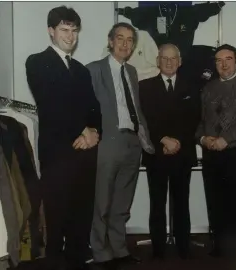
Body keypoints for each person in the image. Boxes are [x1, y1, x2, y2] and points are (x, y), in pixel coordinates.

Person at [25, 6, 101, 270]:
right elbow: (51, 105)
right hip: (58, 154)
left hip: (85, 152)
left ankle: (79, 260)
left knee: (82, 215)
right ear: (51, 31)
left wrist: (94, 131)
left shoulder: (81, 69)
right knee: (57, 218)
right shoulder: (37, 62)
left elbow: (94, 107)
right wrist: (82, 131)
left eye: (74, 31)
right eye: (64, 30)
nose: (70, 36)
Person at [86, 22, 153, 270]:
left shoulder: (132, 72)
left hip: (131, 142)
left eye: (129, 40)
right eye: (120, 39)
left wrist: (143, 138)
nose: (125, 44)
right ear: (110, 41)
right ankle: (100, 252)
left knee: (122, 202)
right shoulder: (94, 70)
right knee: (102, 201)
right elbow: (86, 108)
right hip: (108, 142)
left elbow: (134, 108)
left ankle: (119, 248)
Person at [195, 44, 236, 258]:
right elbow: (200, 121)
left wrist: (226, 139)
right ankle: (219, 245)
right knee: (215, 201)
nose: (223, 64)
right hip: (212, 153)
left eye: (228, 59)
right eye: (218, 60)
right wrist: (203, 139)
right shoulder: (208, 88)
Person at [139, 44, 201, 259]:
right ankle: (158, 250)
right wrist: (163, 140)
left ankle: (183, 247)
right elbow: (145, 120)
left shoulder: (192, 87)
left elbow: (195, 120)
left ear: (180, 61)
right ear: (157, 61)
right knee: (157, 203)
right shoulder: (144, 87)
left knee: (181, 202)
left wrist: (177, 142)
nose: (168, 62)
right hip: (156, 154)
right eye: (164, 58)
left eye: (173, 58)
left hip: (182, 154)